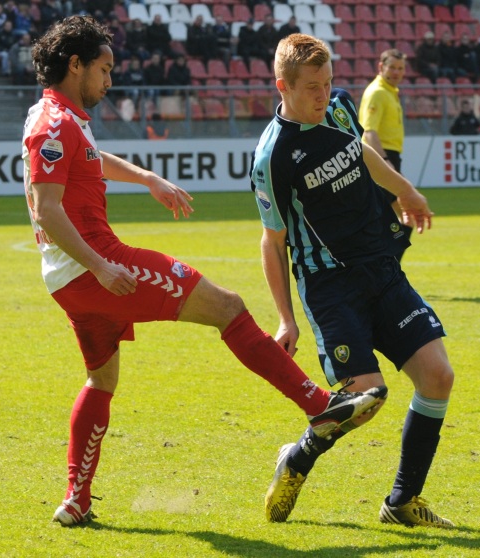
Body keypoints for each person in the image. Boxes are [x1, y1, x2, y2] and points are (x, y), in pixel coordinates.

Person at [23, 16, 386, 527]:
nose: (110, 80)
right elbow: (47, 209)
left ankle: (76, 501)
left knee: (101, 378)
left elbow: (88, 158)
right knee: (229, 308)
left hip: (70, 282)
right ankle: (318, 404)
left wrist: (146, 177)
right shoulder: (54, 124)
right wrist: (103, 267)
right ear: (75, 64)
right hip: (96, 268)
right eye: (103, 69)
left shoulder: (56, 115)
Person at [251, 33, 455, 528]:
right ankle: (296, 459)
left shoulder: (340, 108)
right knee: (365, 397)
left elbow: (362, 152)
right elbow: (272, 242)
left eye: (328, 84)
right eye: (311, 89)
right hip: (330, 287)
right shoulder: (273, 158)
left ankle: (402, 502)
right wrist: (285, 320)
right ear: (283, 86)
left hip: (381, 269)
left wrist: (406, 191)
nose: (323, 95)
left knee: (437, 376)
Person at [358, 48, 413, 260]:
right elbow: (369, 132)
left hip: (386, 156)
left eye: (400, 68)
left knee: (403, 215)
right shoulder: (378, 93)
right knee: (405, 214)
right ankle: (389, 269)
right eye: (392, 67)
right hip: (381, 157)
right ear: (381, 67)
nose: (397, 72)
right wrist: (387, 164)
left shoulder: (389, 91)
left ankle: (389, 269)